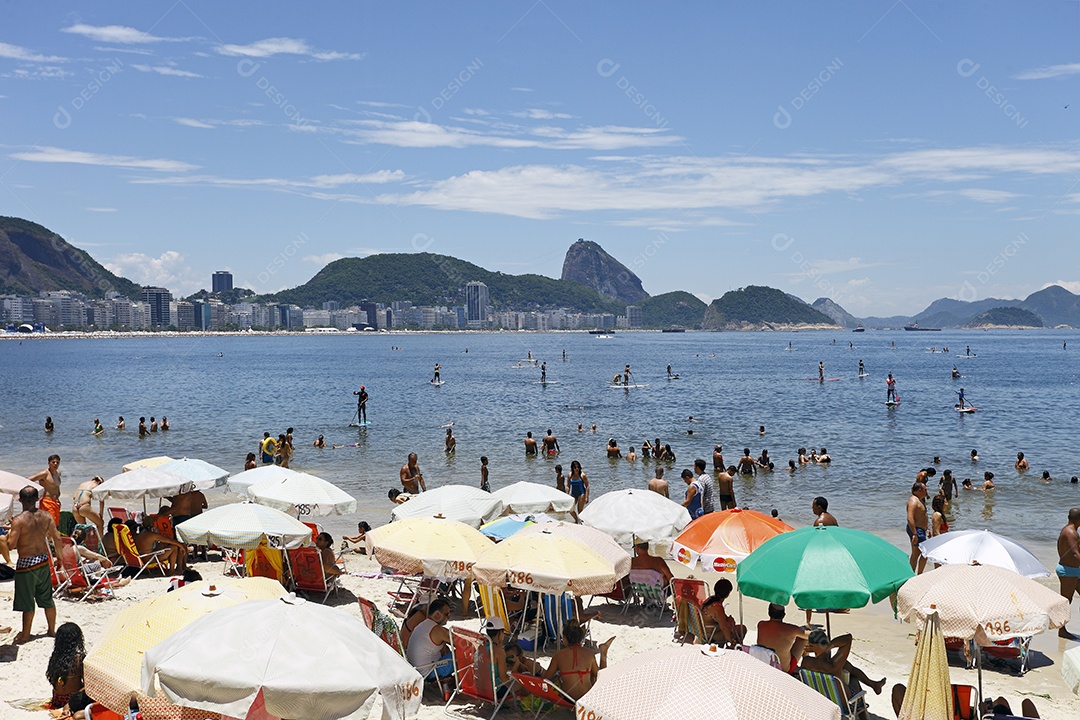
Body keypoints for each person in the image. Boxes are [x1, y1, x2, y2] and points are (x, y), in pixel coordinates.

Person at [9, 486, 62, 643]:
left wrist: (7, 536)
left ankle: (26, 635)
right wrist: (60, 558)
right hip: (43, 562)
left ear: (20, 500)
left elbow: (11, 545)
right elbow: (57, 538)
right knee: (47, 598)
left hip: (26, 565)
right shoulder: (46, 516)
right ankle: (52, 630)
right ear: (37, 499)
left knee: (27, 601)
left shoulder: (18, 520)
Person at [801, 629, 886, 702]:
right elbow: (848, 638)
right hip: (842, 703)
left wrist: (811, 649)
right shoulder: (834, 665)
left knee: (846, 665)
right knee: (853, 678)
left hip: (820, 702)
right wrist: (829, 646)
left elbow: (805, 654)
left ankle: (874, 684)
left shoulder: (806, 662)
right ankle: (864, 717)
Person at [542, 620, 614, 701]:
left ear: (564, 639)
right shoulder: (589, 653)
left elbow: (546, 679)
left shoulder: (558, 656)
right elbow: (600, 678)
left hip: (568, 699)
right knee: (593, 674)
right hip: (587, 699)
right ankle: (603, 652)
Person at [405, 598, 453, 679]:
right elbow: (461, 642)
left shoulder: (423, 624)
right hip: (428, 672)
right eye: (446, 614)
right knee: (461, 656)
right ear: (437, 614)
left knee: (446, 649)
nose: (448, 617)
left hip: (416, 670)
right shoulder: (438, 630)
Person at [757, 603, 809, 675]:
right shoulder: (791, 629)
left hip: (765, 662)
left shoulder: (761, 625)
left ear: (768, 613)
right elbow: (809, 636)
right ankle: (806, 661)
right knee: (803, 639)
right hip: (783, 669)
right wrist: (809, 629)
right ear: (784, 615)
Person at [46, 622, 86, 710]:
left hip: (57, 698)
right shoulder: (79, 659)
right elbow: (87, 685)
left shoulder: (55, 656)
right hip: (72, 700)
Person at [1056, 508, 1080, 638]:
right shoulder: (1071, 532)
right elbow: (1075, 553)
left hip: (1074, 569)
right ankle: (1062, 630)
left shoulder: (1069, 530)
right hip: (1068, 571)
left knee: (1067, 600)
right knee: (1066, 601)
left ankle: (1063, 629)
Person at [700, 579, 745, 647]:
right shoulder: (717, 607)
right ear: (728, 593)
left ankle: (726, 647)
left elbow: (721, 618)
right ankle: (732, 648)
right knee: (742, 629)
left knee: (734, 628)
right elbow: (724, 627)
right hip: (711, 635)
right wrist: (732, 642)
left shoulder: (710, 600)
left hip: (705, 632)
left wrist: (728, 620)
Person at [28, 454, 63, 527]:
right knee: (49, 523)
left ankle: (49, 538)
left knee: (55, 524)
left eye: (57, 462)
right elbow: (29, 480)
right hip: (46, 501)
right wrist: (32, 493)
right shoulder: (44, 474)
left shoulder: (58, 473)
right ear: (49, 463)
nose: (55, 464)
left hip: (56, 502)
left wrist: (58, 499)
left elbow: (56, 487)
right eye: (53, 462)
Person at [906, 482, 929, 574]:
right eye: (925, 489)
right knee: (924, 553)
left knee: (917, 554)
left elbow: (923, 516)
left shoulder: (920, 500)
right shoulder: (913, 501)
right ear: (919, 490)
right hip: (917, 530)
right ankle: (917, 574)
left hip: (921, 530)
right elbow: (910, 517)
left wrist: (927, 528)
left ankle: (911, 574)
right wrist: (914, 534)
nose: (926, 491)